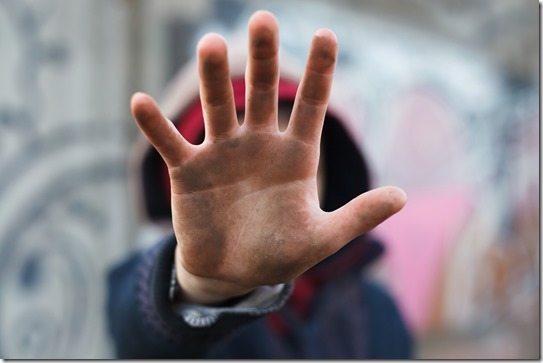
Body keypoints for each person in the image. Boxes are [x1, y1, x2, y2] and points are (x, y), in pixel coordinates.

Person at [107, 10, 412, 359]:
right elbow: (139, 332)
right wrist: (204, 287)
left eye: (301, 165)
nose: (264, 197)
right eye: (229, 176)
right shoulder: (149, 288)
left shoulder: (378, 309)